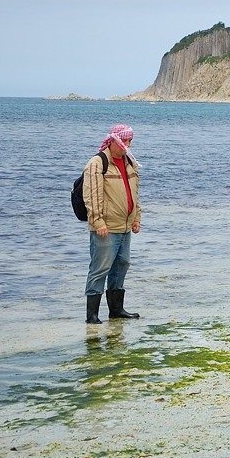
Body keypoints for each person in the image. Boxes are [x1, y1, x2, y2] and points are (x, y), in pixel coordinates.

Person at [82, 124, 142, 324]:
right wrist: (97, 221)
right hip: (105, 227)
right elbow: (91, 196)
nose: (127, 145)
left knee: (121, 266)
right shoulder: (98, 163)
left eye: (129, 141)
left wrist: (137, 218)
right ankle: (92, 316)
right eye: (124, 141)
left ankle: (116, 311)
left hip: (125, 226)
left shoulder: (130, 162)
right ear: (113, 140)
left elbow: (134, 193)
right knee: (100, 269)